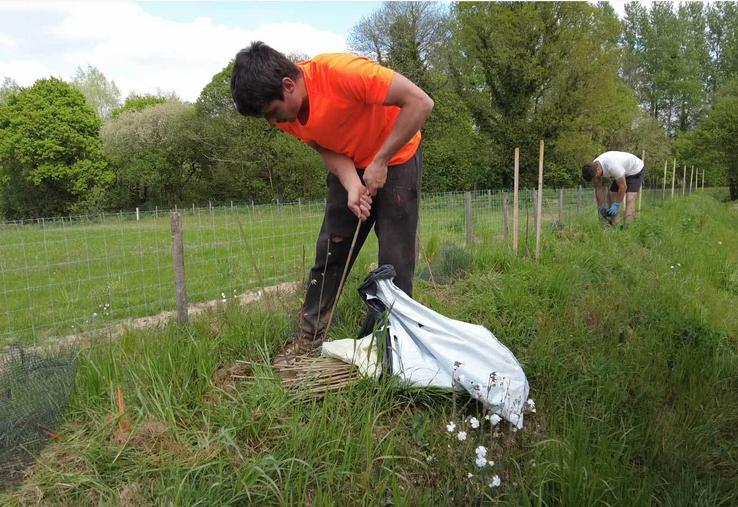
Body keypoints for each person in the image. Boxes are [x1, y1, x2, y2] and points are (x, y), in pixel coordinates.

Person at [230, 42, 434, 364]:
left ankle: (388, 347)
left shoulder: (342, 74)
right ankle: (309, 338)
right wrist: (353, 183)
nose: (273, 122)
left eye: (271, 112)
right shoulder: (285, 115)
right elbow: (323, 147)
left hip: (397, 156)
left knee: (394, 261)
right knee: (331, 248)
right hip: (352, 161)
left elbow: (420, 103)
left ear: (288, 85)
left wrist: (380, 161)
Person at [581, 151, 645, 225]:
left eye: (595, 177)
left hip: (635, 169)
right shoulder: (592, 169)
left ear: (598, 169)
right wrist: (601, 206)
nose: (596, 179)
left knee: (630, 197)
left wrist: (616, 204)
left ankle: (628, 227)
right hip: (622, 170)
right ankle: (614, 225)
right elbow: (598, 188)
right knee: (612, 194)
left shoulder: (612, 166)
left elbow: (623, 187)